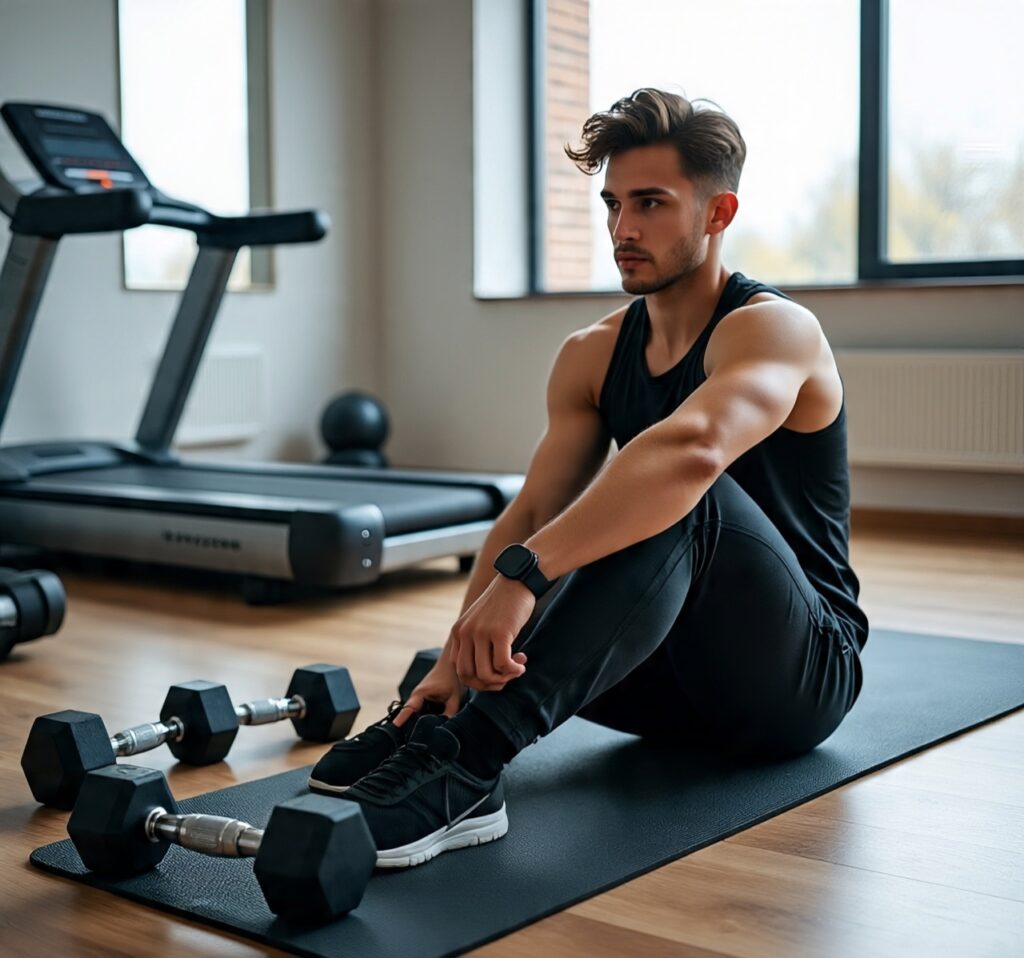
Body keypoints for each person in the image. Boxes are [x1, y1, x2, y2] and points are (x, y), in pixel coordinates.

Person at [309, 88, 869, 868]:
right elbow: (533, 508)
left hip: (792, 681)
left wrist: (525, 576)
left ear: (718, 214)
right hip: (656, 682)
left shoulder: (775, 330)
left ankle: (466, 768)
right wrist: (453, 657)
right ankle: (437, 723)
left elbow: (694, 450)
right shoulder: (592, 352)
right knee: (473, 645)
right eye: (612, 204)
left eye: (650, 204)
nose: (622, 229)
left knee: (671, 492)